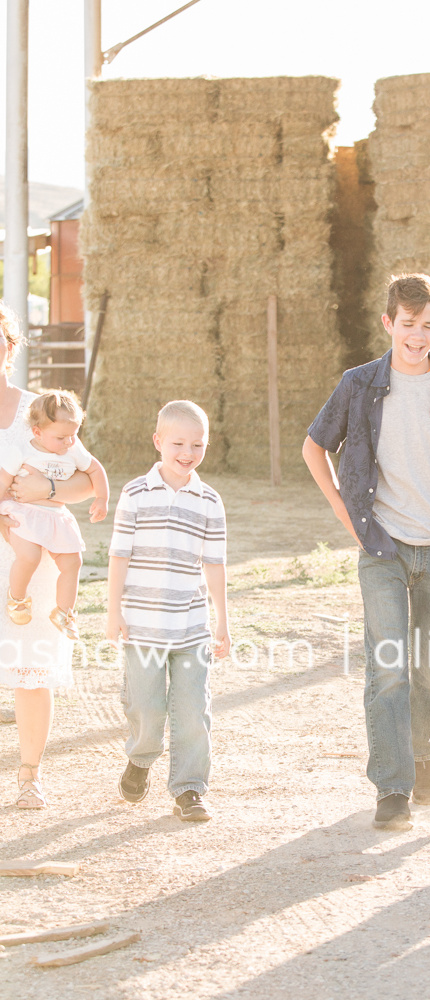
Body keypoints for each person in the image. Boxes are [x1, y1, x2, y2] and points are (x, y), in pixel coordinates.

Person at [303, 273, 430, 830]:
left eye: (429, 326)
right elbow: (314, 446)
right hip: (384, 549)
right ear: (388, 322)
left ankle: (421, 758)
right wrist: (347, 515)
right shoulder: (359, 384)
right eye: (409, 325)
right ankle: (392, 787)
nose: (418, 337)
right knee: (389, 669)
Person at [106, 399, 230, 822]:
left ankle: (190, 788)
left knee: (193, 710)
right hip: (141, 624)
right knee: (146, 705)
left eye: (198, 444)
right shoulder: (135, 494)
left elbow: (214, 565)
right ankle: (141, 757)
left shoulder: (210, 501)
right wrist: (112, 611)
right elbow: (119, 555)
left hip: (191, 625)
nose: (188, 453)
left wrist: (222, 622)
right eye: (178, 442)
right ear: (158, 441)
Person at [0, 302, 96, 808]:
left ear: (10, 348)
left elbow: (84, 479)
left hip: (31, 552)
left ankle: (28, 776)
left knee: (29, 668)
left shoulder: (40, 410)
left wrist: (45, 489)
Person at [0, 389, 109, 640]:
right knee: (29, 556)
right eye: (62, 437)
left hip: (56, 515)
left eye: (74, 435)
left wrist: (102, 498)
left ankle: (64, 611)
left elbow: (95, 469)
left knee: (73, 562)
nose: (70, 442)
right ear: (37, 432)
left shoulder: (71, 449)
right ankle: (17, 598)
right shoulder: (22, 450)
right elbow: (3, 480)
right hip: (24, 512)